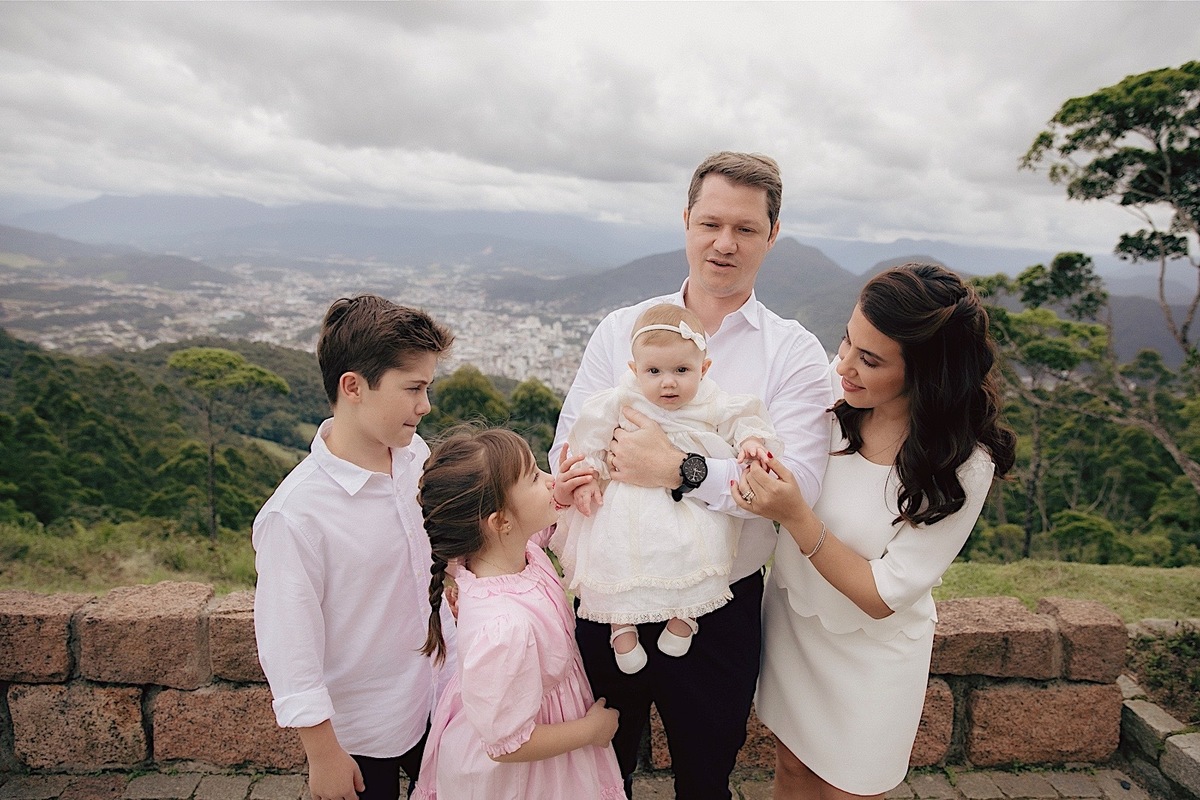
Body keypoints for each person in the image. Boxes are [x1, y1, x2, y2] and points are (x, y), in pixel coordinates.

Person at [551, 151, 833, 799]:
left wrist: (677, 468)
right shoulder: (622, 329)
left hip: (719, 603)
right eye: (710, 224)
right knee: (597, 774)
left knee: (707, 776)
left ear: (773, 234)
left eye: (745, 229)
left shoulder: (791, 352)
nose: (724, 244)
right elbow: (572, 446)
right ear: (685, 220)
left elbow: (795, 490)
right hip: (612, 592)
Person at [732, 263, 1017, 799]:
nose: (843, 366)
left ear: (926, 373)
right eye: (846, 342)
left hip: (872, 658)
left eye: (870, 360)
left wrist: (796, 516)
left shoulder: (961, 463)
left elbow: (883, 595)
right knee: (792, 771)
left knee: (850, 790)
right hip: (795, 625)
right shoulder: (830, 400)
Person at [253, 295, 457, 800]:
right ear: (353, 387)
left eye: (427, 387)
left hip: (438, 692)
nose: (425, 405)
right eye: (413, 388)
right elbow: (289, 645)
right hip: (361, 726)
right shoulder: (295, 515)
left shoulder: (415, 458)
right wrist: (322, 753)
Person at [551, 303, 779, 674]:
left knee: (692, 550)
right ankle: (620, 625)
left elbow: (741, 415)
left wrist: (751, 439)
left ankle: (685, 616)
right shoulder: (622, 397)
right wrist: (588, 474)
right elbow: (587, 436)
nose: (668, 382)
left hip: (686, 504)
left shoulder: (709, 398)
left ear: (703, 369)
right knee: (614, 553)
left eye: (681, 370)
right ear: (634, 370)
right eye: (653, 371)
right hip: (625, 501)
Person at [412, 426, 625, 800]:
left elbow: (535, 531)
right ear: (500, 521)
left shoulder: (505, 553)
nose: (550, 480)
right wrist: (592, 731)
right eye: (534, 477)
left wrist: (556, 496)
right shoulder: (503, 625)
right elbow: (509, 745)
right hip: (525, 771)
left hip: (537, 729)